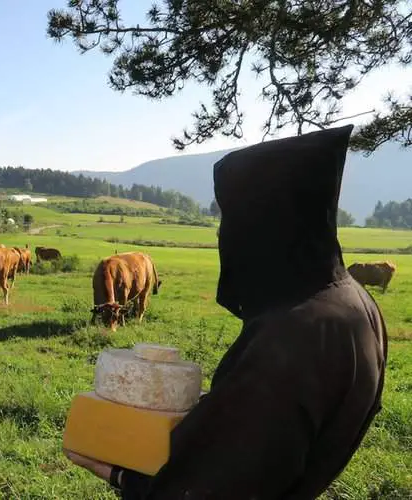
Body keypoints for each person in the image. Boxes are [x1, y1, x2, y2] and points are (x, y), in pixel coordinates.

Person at [65, 125, 388, 499]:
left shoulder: (292, 336)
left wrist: (124, 476)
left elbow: (213, 486)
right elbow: (271, 435)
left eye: (231, 218)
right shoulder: (353, 305)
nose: (224, 235)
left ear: (266, 223)